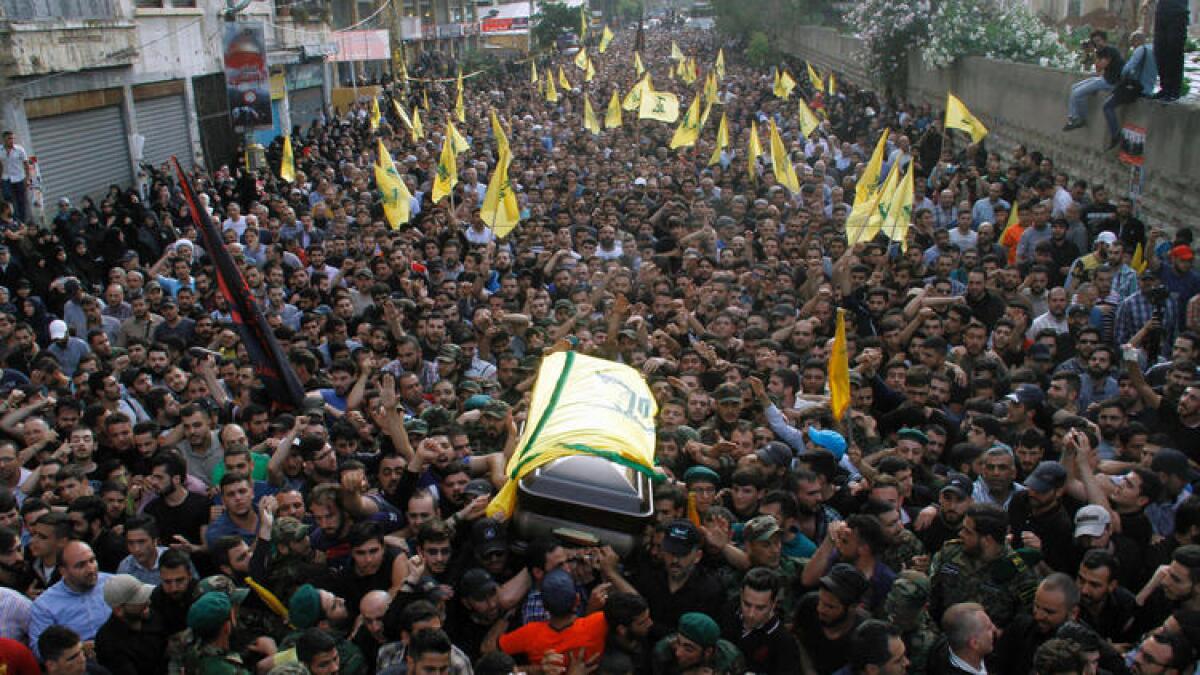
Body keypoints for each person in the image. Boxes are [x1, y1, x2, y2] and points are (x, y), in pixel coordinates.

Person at [28, 541, 111, 658]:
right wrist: (78, 649)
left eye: (92, 561)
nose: (91, 569)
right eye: (80, 565)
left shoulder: (112, 583)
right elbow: (39, 650)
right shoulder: (44, 605)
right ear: (63, 571)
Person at [94, 573, 166, 675]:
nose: (148, 601)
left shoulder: (152, 616)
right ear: (119, 610)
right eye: (138, 600)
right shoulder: (109, 642)